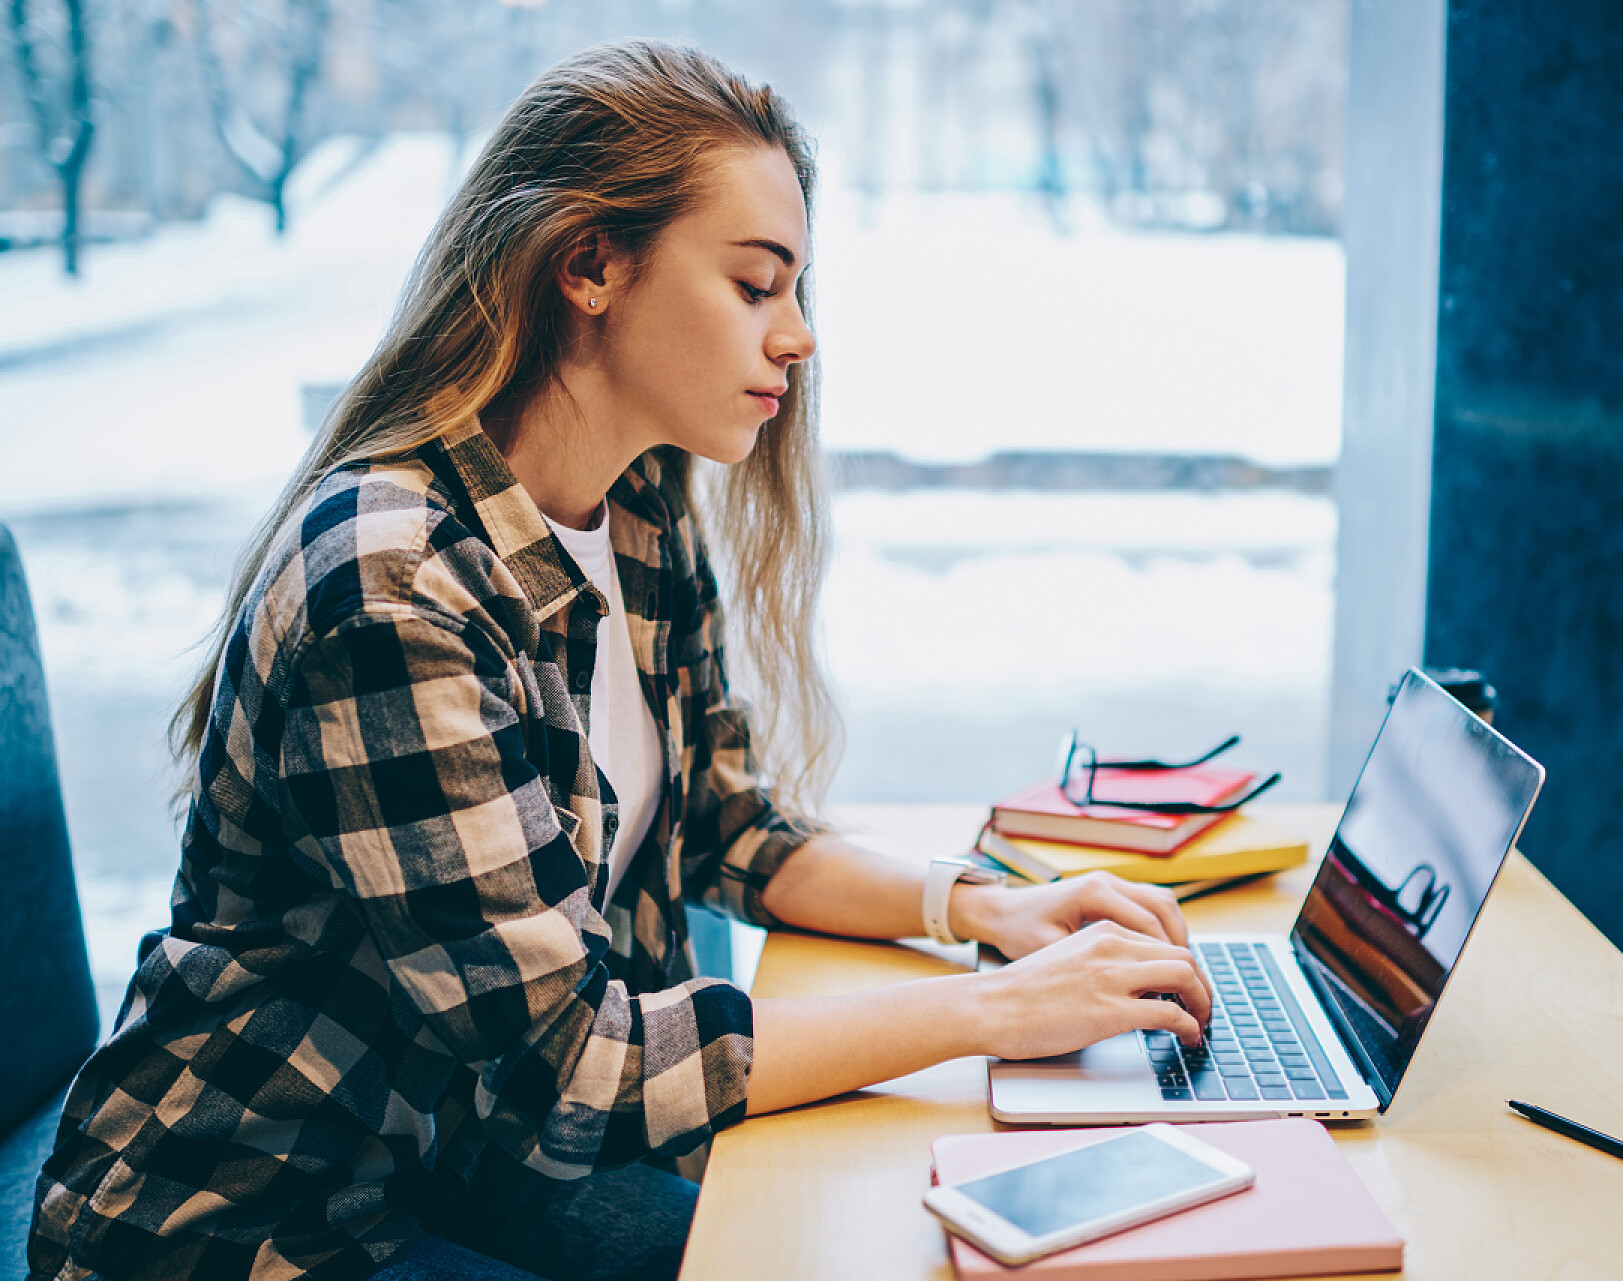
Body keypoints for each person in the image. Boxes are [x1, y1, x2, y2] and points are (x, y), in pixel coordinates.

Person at [29, 41, 1212, 1281]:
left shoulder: (633, 501)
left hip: (459, 1160)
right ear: (589, 265)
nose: (800, 337)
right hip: (256, 1225)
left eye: (799, 289)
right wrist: (990, 1013)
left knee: (884, 1240)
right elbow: (571, 1071)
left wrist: (986, 909)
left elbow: (723, 825)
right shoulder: (394, 592)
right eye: (757, 286)